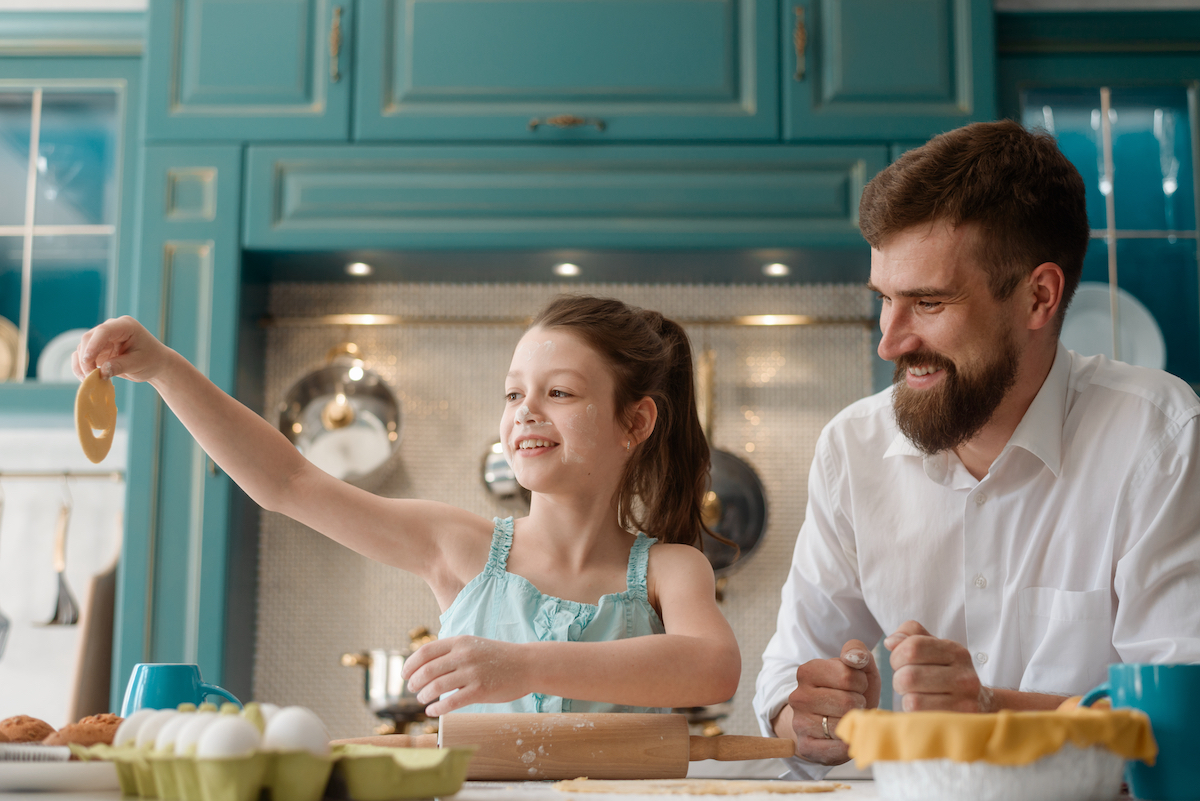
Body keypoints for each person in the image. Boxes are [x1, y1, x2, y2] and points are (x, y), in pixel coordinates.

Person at [753, 119, 1200, 777]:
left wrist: (989, 706)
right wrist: (813, 715)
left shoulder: (1161, 436)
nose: (890, 341)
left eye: (928, 302)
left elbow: (1181, 726)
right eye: (885, 300)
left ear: (1038, 296)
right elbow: (788, 687)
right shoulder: (852, 446)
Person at [75, 295, 740, 717]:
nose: (526, 411)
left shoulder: (670, 570)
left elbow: (713, 669)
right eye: (513, 394)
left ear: (636, 421)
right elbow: (287, 482)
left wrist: (524, 663)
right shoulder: (459, 546)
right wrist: (163, 367)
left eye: (559, 392)